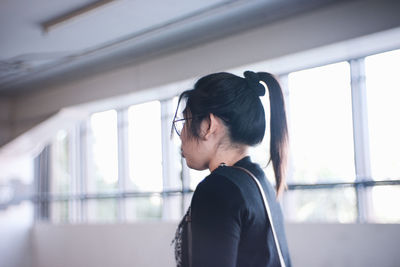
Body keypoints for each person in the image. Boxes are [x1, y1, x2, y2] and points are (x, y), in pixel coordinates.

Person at [171, 71, 291, 267]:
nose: (181, 135)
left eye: (185, 122)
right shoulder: (257, 181)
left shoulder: (218, 189)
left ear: (208, 125)